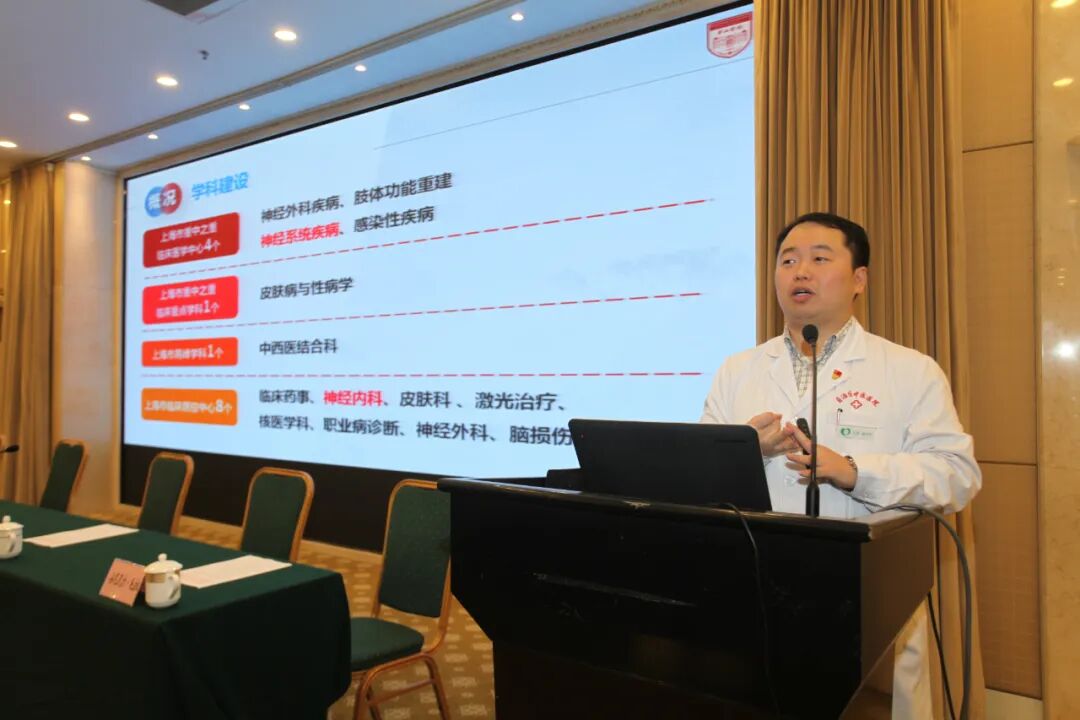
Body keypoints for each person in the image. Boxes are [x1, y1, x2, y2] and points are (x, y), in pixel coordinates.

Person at [700, 212, 981, 718]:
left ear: (859, 280)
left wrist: (853, 470)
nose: (800, 271)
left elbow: (956, 475)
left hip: (869, 606)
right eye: (788, 260)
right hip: (754, 594)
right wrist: (746, 449)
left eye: (819, 258)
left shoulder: (909, 370)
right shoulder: (738, 370)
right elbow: (696, 475)